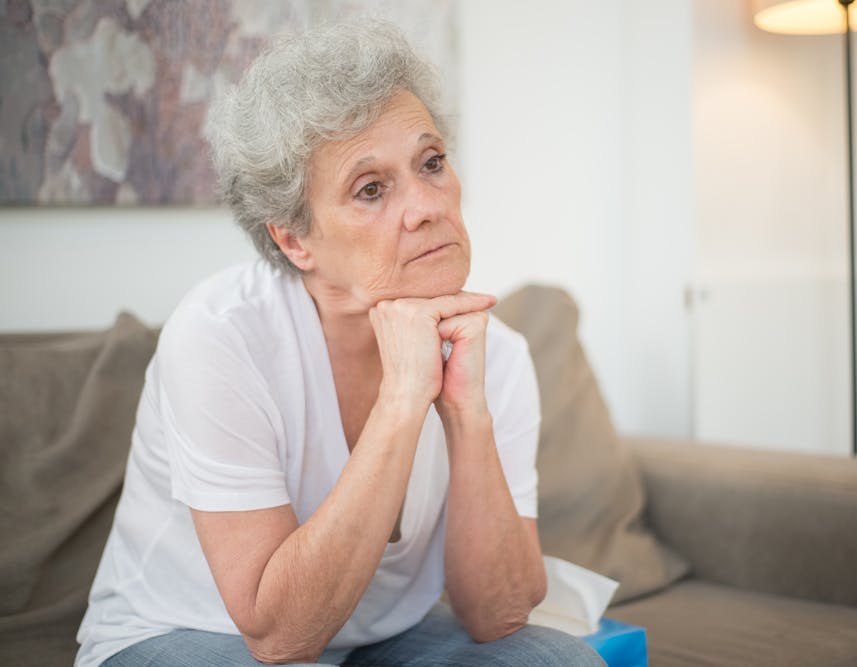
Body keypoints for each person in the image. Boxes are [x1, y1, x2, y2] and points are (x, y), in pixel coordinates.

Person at [74, 18, 605, 667]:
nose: (426, 206)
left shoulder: (501, 354)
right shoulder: (219, 337)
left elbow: (500, 613)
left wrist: (468, 414)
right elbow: (280, 636)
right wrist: (403, 400)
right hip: (188, 633)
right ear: (295, 240)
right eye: (371, 189)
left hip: (379, 638)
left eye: (431, 163)